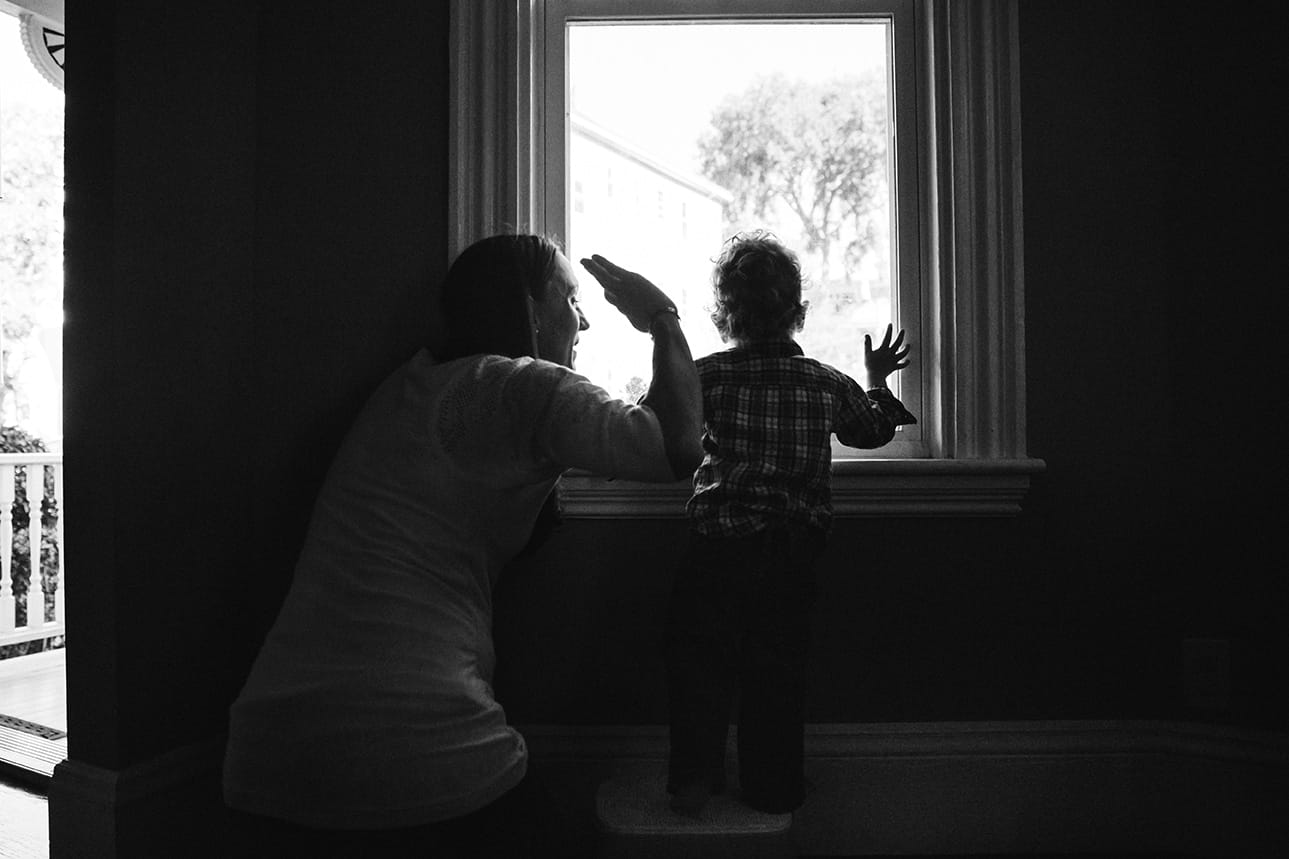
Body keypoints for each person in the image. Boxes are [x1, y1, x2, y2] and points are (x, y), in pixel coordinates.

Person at [222, 234, 701, 857]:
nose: (581, 319)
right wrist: (663, 319)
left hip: (264, 756)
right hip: (413, 742)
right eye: (570, 298)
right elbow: (676, 448)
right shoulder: (521, 386)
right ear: (529, 310)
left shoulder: (407, 387)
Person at [665, 231, 916, 817]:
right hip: (790, 553)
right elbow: (872, 432)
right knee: (775, 674)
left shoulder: (708, 376)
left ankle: (694, 782)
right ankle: (773, 787)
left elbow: (657, 419)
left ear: (724, 312)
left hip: (717, 548)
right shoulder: (825, 382)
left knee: (699, 665)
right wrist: (878, 380)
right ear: (797, 311)